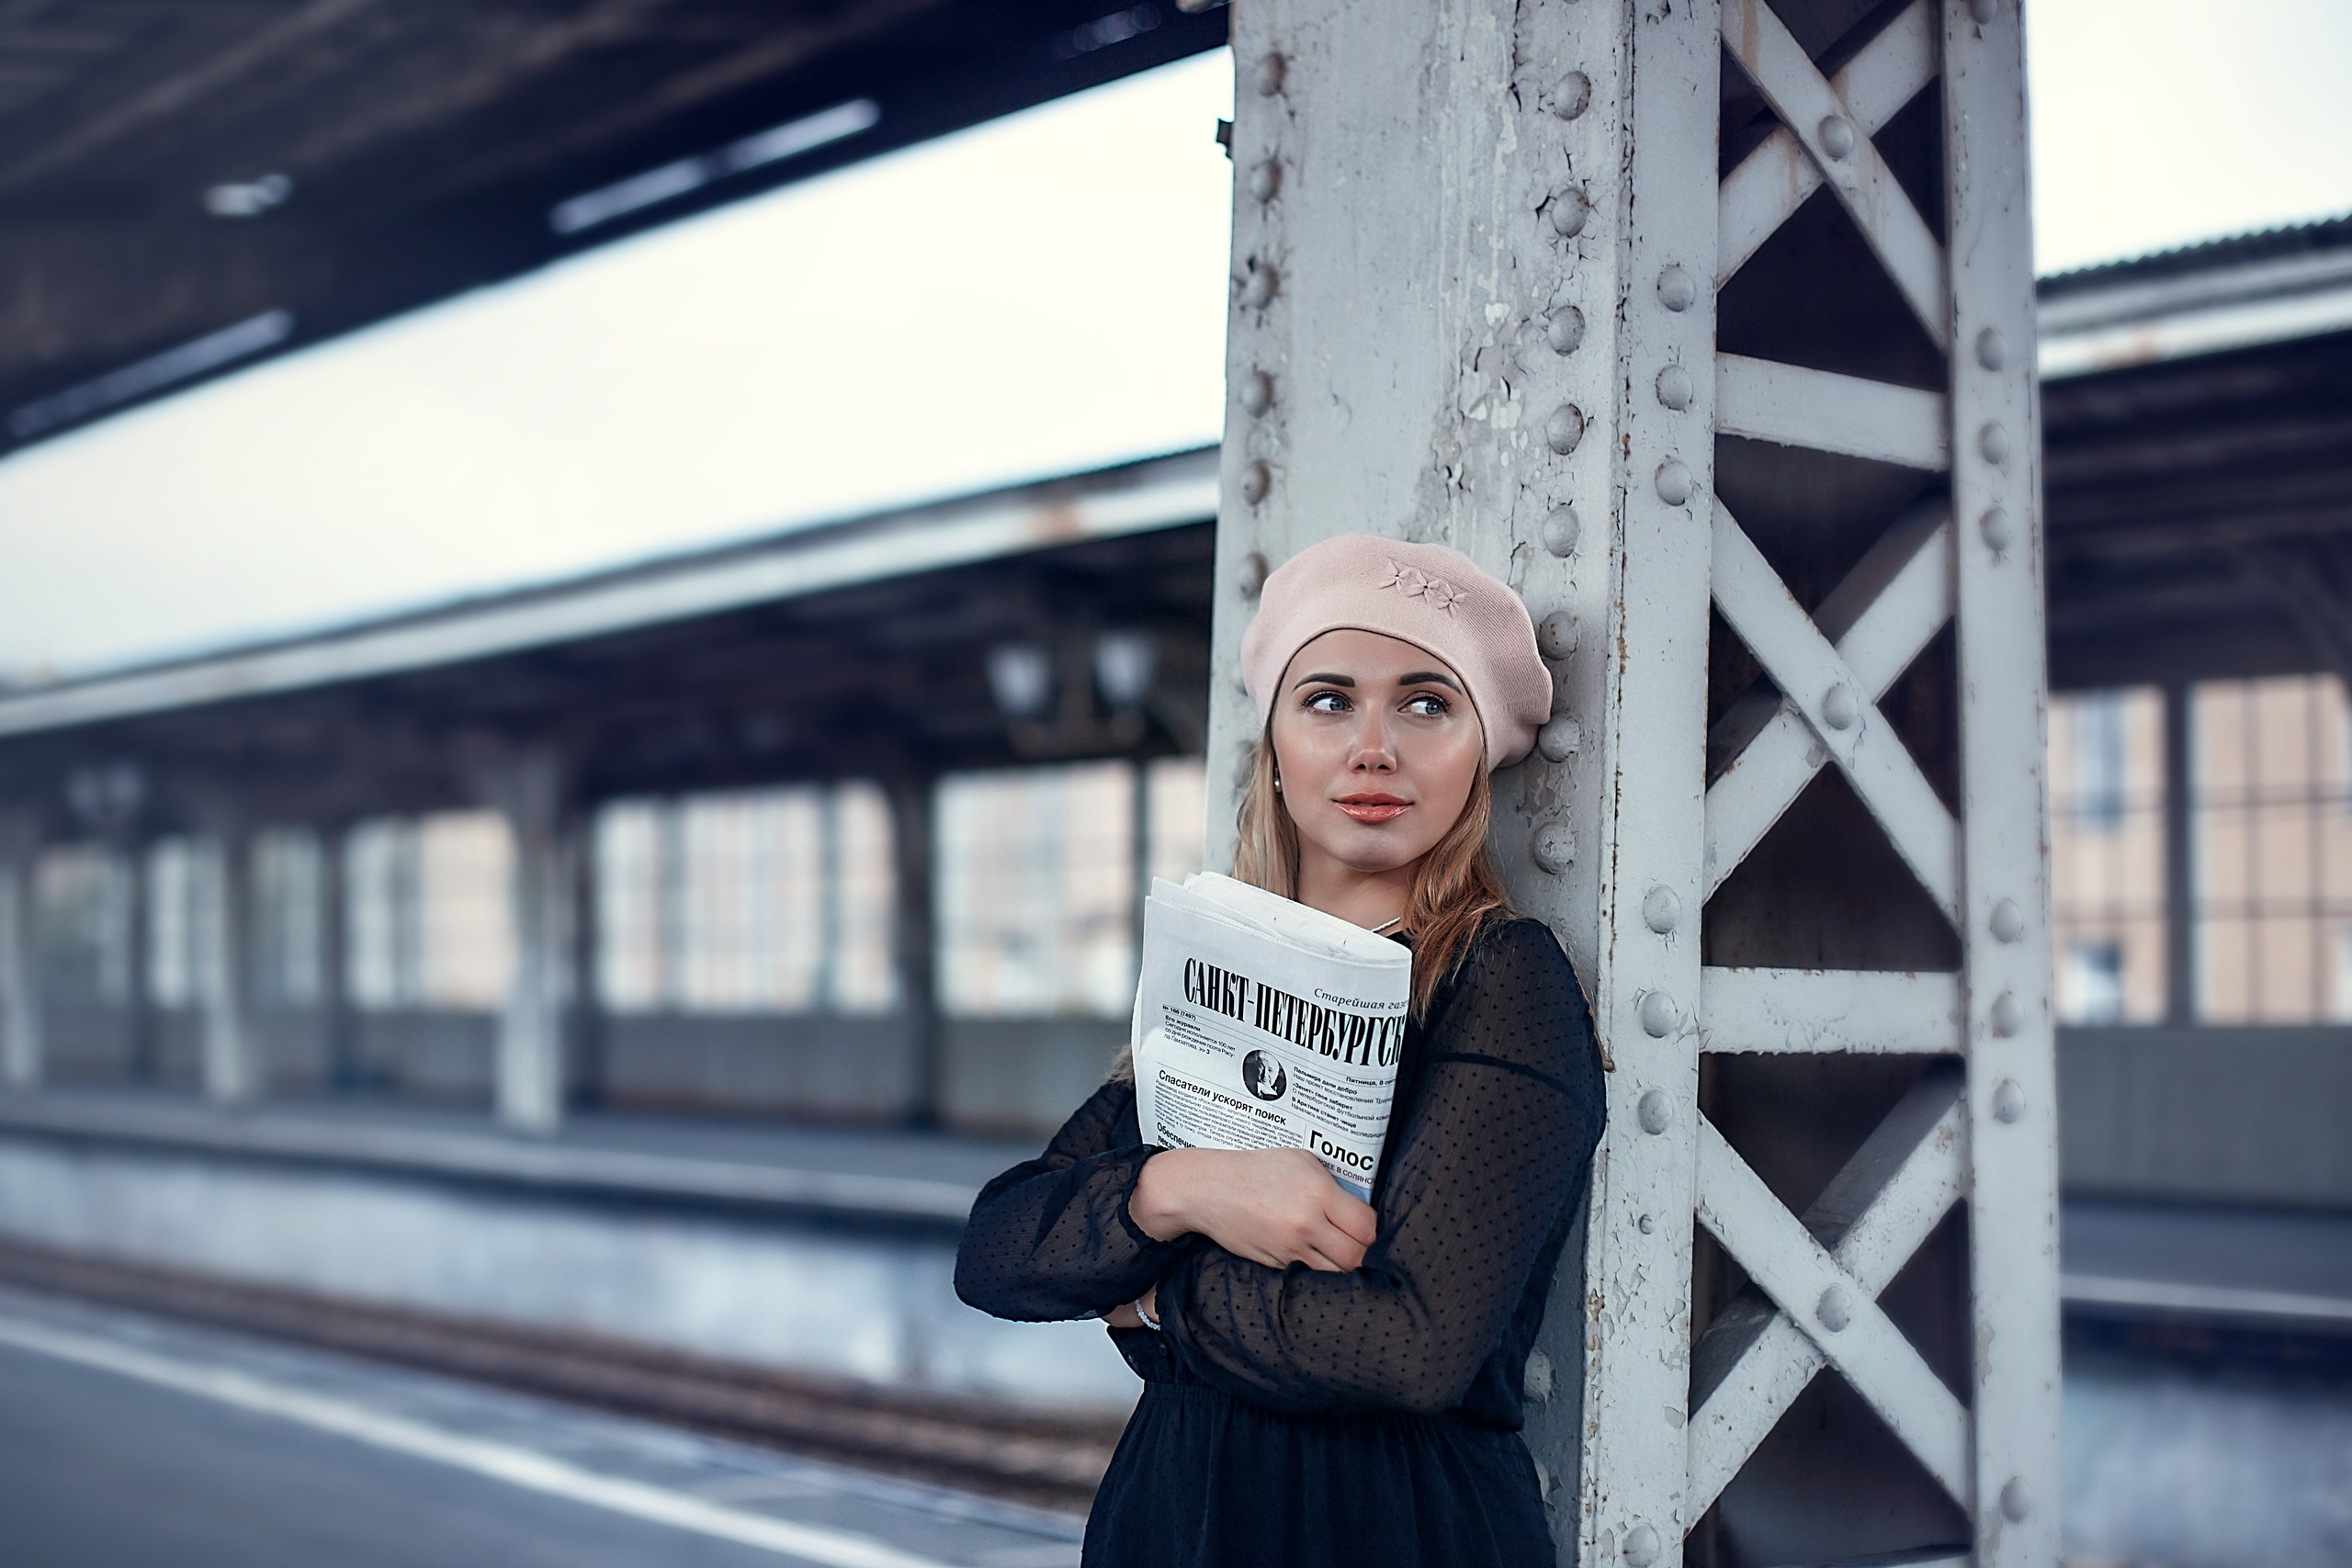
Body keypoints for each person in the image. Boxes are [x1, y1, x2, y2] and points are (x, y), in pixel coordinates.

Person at [955, 534, 1607, 1568]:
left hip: (1386, 1530)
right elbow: (996, 1248)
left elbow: (1411, 1349)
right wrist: (1179, 1192)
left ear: (1478, 750)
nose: (1374, 747)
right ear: (1276, 744)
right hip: (1171, 1521)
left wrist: (1153, 1297)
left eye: (1427, 703)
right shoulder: (1212, 973)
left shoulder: (1500, 980)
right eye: (1329, 699)